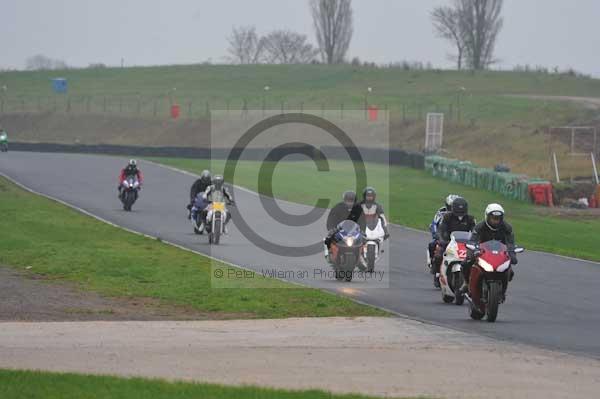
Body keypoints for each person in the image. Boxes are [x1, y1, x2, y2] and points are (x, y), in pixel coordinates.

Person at [461, 203, 517, 295]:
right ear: (487, 216)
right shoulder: (479, 227)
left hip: (500, 254)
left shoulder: (507, 228)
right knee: (465, 264)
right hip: (482, 252)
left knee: (510, 272)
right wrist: (473, 251)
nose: (495, 221)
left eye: (498, 219)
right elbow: (473, 241)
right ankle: (467, 283)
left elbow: (510, 243)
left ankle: (502, 290)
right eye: (493, 218)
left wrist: (512, 255)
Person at [432, 196, 476, 277]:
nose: (460, 214)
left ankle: (471, 276)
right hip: (448, 241)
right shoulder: (447, 217)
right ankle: (437, 274)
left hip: (465, 242)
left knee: (475, 257)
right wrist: (441, 239)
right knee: (439, 254)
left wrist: (475, 242)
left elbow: (475, 232)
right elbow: (441, 229)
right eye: (458, 211)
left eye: (462, 211)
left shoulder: (470, 219)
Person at [323, 191, 362, 260]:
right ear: (344, 200)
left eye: (351, 201)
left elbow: (363, 220)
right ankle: (328, 254)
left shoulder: (358, 209)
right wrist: (331, 228)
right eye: (348, 201)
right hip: (339, 230)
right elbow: (331, 219)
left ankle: (362, 256)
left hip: (354, 231)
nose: (349, 203)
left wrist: (363, 230)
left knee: (364, 240)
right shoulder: (337, 207)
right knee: (328, 239)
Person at [428, 194, 460, 267]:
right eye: (451, 207)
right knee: (432, 244)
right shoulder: (441, 213)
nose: (453, 209)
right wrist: (436, 234)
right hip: (443, 236)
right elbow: (434, 224)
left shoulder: (462, 216)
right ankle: (433, 261)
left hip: (456, 238)